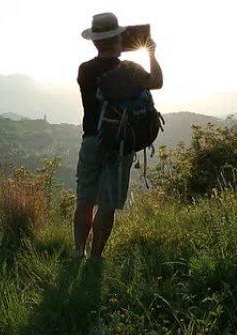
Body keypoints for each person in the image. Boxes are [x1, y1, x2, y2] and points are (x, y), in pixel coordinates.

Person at [74, 12, 163, 259]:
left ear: (94, 41)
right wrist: (151, 52)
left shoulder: (85, 70)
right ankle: (95, 259)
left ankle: (78, 252)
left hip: (91, 140)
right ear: (119, 38)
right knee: (107, 204)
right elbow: (156, 81)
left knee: (85, 201)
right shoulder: (131, 69)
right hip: (118, 143)